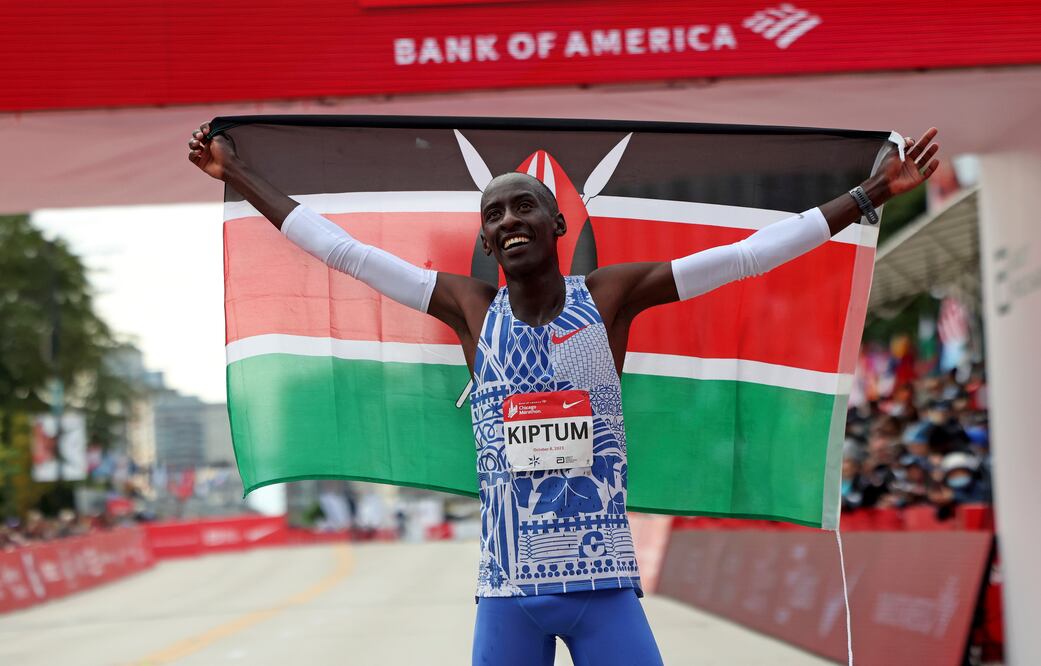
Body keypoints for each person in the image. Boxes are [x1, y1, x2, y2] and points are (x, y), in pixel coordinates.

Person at [188, 122, 939, 665]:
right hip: (506, 592)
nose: (508, 220)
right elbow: (341, 251)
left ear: (556, 223)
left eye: (522, 207)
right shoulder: (468, 308)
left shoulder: (609, 297)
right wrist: (239, 178)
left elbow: (743, 258)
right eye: (493, 215)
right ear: (485, 243)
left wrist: (868, 194)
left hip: (602, 589)